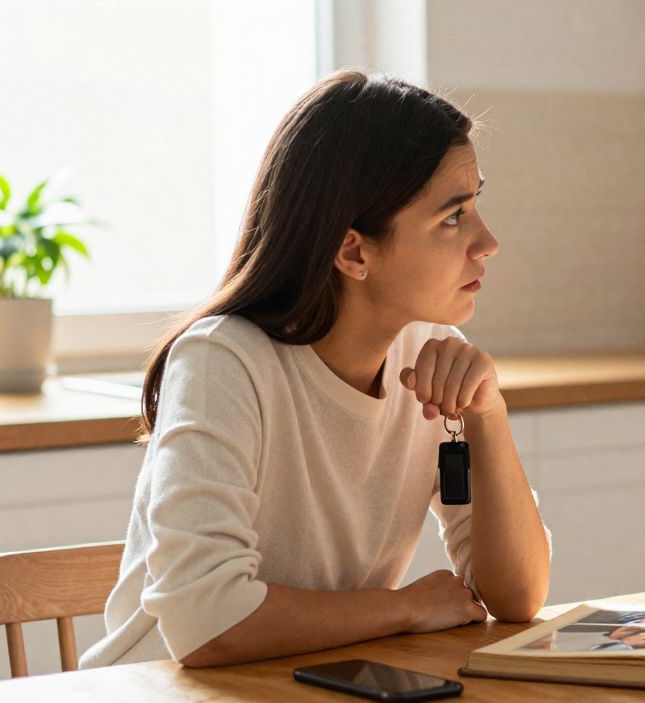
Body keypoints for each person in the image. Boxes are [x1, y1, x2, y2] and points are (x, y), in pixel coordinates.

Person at [81, 71, 551, 669]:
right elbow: (206, 622)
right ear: (354, 251)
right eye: (453, 218)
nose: (488, 242)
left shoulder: (431, 356)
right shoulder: (223, 362)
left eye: (475, 206)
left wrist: (489, 415)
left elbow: (516, 598)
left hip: (308, 696)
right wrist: (402, 608)